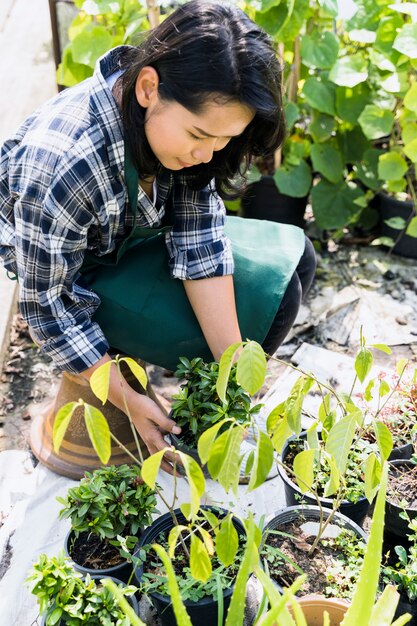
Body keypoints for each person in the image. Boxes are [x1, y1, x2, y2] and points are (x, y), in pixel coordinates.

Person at [0, 0, 315, 474]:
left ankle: (197, 415)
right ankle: (132, 422)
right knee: (268, 305)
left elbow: (199, 234)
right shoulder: (66, 163)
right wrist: (126, 399)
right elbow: (48, 308)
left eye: (224, 141)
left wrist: (234, 376)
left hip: (126, 238)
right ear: (149, 86)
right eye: (199, 134)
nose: (208, 153)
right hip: (76, 278)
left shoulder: (176, 129)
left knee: (294, 267)